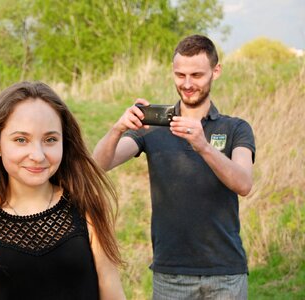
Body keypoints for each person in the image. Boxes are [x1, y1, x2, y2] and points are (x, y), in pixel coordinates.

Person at [93, 35, 255, 299]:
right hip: (170, 275)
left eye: (196, 75)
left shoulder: (236, 128)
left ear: (216, 71)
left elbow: (244, 183)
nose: (188, 84)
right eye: (180, 75)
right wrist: (118, 128)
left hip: (226, 273)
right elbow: (99, 165)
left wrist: (203, 145)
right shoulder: (153, 127)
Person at [0, 81, 126, 300]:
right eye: (21, 140)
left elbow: (112, 293)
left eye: (50, 140)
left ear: (64, 142)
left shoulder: (86, 206)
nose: (38, 155)